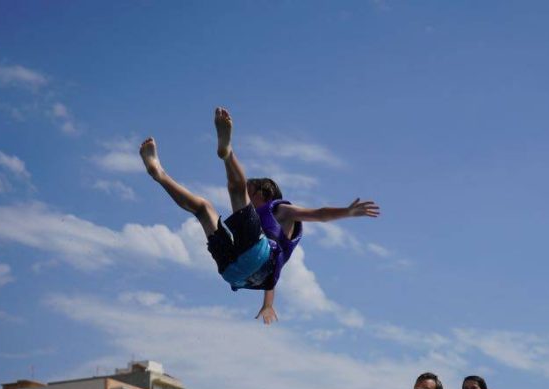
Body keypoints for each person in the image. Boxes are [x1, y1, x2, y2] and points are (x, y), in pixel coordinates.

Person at [139, 107, 380, 324]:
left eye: (250, 192)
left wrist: (347, 211)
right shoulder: (268, 240)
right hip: (233, 273)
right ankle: (159, 173)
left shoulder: (281, 210)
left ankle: (227, 153)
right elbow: (271, 277)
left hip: (252, 259)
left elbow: (319, 214)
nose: (248, 198)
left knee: (231, 192)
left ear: (265, 194)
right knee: (203, 208)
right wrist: (267, 305)